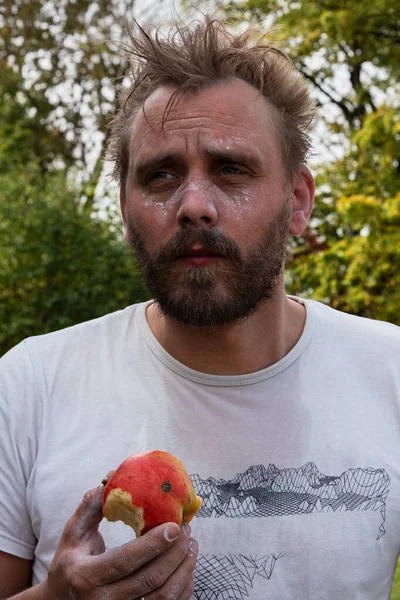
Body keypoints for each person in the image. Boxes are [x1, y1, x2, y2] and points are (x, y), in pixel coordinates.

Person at [0, 15, 399, 600]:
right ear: (125, 207)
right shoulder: (29, 385)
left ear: (297, 201)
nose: (194, 206)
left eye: (230, 169)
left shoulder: (391, 374)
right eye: (160, 175)